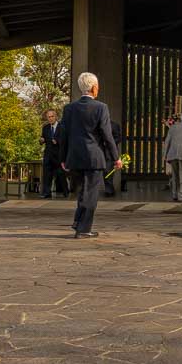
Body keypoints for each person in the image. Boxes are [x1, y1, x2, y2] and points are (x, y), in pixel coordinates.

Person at [60, 72, 121, 239]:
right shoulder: (101, 107)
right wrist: (116, 157)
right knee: (91, 194)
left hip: (74, 157)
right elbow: (107, 136)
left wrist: (63, 158)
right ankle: (84, 229)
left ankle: (78, 222)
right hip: (94, 157)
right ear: (94, 88)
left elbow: (63, 135)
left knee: (82, 192)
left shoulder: (69, 109)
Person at [39, 109, 67, 199]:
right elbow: (42, 138)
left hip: (59, 156)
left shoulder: (62, 127)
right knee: (47, 175)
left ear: (56, 117)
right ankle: (47, 193)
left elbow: (66, 141)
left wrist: (57, 141)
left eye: (52, 116)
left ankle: (65, 191)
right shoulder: (45, 127)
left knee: (61, 175)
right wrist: (41, 140)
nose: (50, 118)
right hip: (48, 155)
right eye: (48, 117)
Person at [103, 120, 122, 197]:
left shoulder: (114, 125)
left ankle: (109, 190)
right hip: (99, 152)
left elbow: (119, 138)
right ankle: (109, 189)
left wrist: (109, 143)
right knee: (105, 172)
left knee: (108, 172)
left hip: (110, 153)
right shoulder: (96, 125)